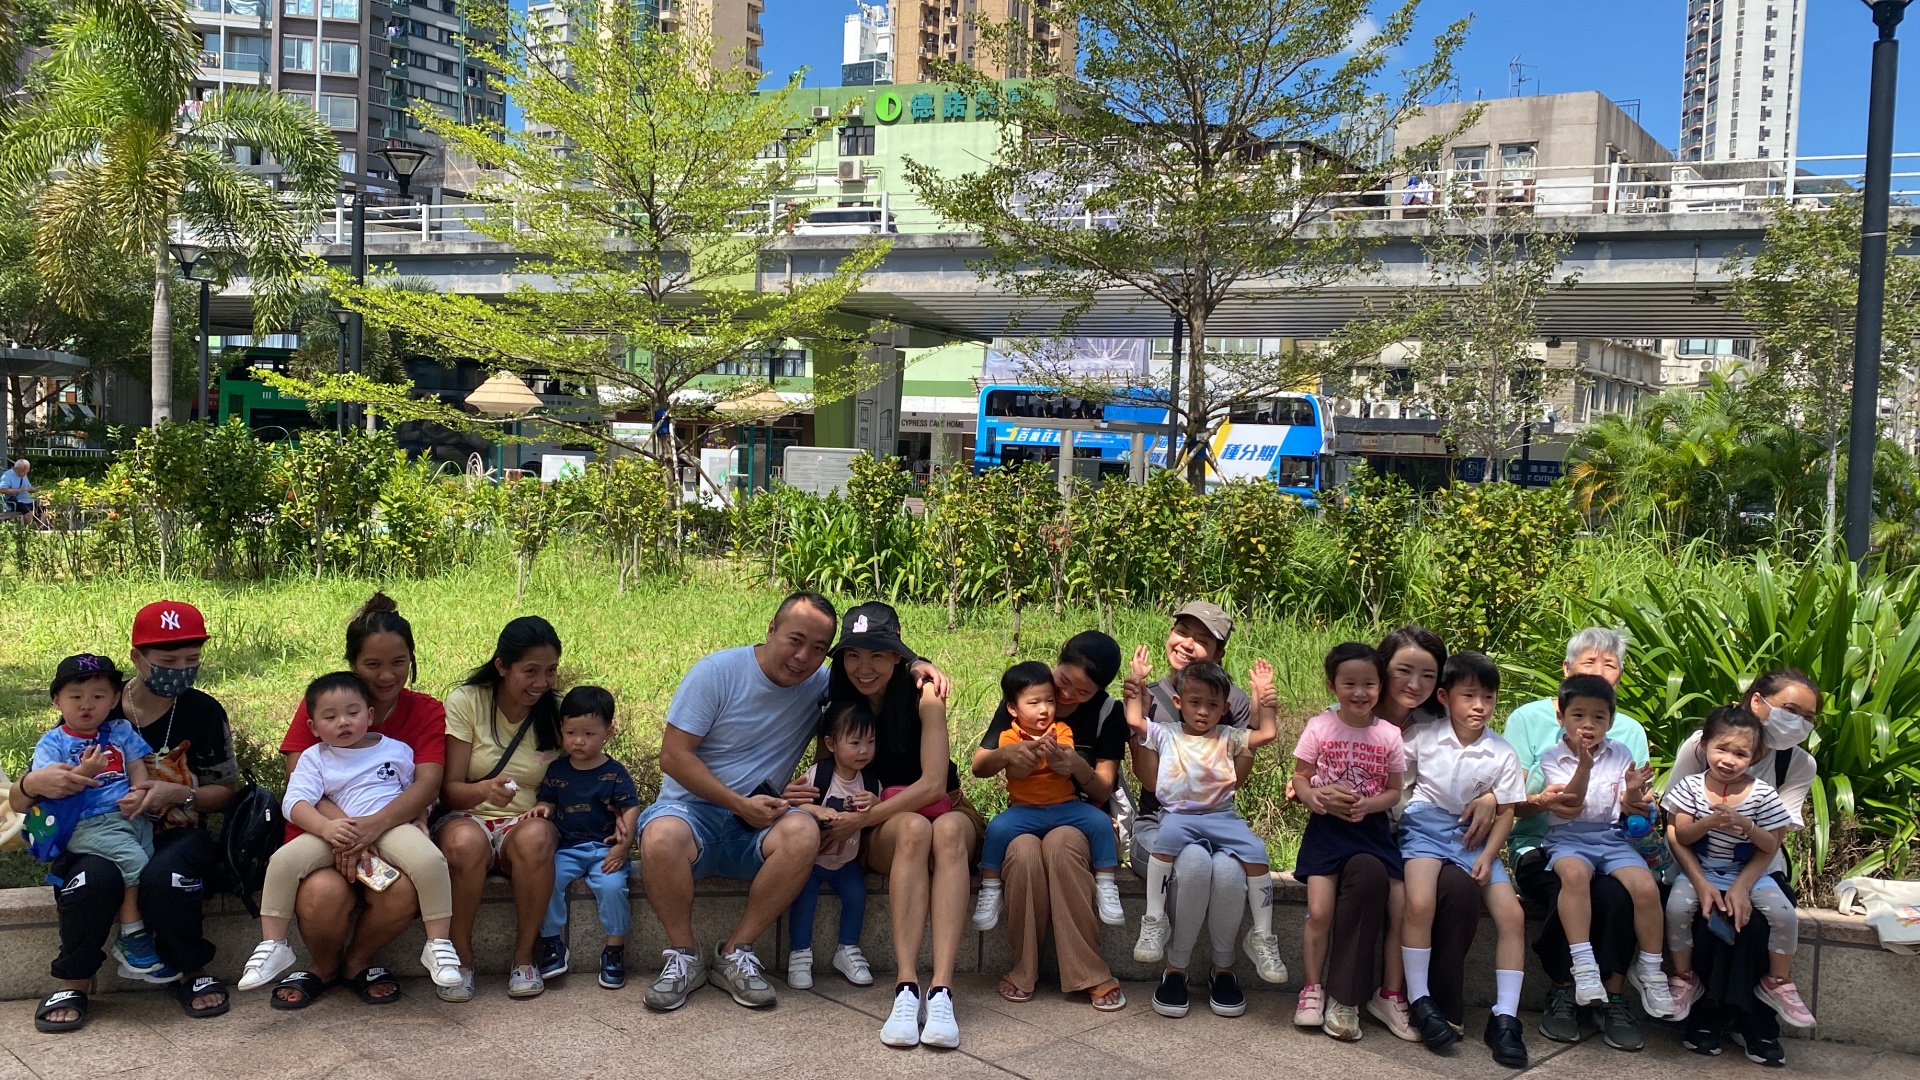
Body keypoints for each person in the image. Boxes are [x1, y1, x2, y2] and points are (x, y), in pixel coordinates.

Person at [637, 594, 946, 1019]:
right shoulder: (716, 673)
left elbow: (870, 667)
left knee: (803, 832)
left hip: (762, 821)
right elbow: (673, 757)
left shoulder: (821, 685)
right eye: (795, 641)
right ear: (771, 630)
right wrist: (739, 803)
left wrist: (915, 663)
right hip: (693, 814)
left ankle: (736, 953)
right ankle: (684, 956)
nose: (803, 657)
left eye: (818, 648)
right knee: (660, 836)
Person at [20, 600, 238, 1031]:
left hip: (176, 830)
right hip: (94, 827)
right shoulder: (95, 701)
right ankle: (74, 980)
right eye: (167, 662)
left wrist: (180, 793)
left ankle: (189, 968)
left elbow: (226, 792)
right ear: (137, 658)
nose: (181, 670)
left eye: (192, 659)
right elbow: (24, 796)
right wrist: (30, 785)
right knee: (93, 880)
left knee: (167, 876)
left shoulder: (203, 711)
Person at [270, 592, 446, 1009]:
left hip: (389, 830)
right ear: (352, 664)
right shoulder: (324, 704)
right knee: (322, 893)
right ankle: (322, 967)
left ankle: (357, 962)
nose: (387, 675)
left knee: (400, 892)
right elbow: (300, 781)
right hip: (323, 830)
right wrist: (349, 832)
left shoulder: (426, 710)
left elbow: (427, 784)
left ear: (412, 659)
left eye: (399, 662)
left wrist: (374, 827)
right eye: (372, 664)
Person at [807, 601, 967, 1047]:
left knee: (948, 830)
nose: (864, 667)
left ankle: (942, 991)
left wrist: (864, 818)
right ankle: (906, 988)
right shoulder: (837, 695)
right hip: (888, 827)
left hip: (942, 808)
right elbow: (826, 770)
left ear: (897, 655)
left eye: (878, 654)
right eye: (854, 655)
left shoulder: (924, 695)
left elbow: (934, 784)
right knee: (914, 828)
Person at [240, 673, 461, 992]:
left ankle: (438, 945)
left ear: (369, 715)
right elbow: (295, 801)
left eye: (352, 713)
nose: (343, 722)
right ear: (313, 727)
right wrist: (326, 827)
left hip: (390, 828)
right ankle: (273, 944)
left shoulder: (397, 751)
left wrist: (420, 817)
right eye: (330, 717)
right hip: (334, 832)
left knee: (430, 860)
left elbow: (417, 793)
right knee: (283, 861)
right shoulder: (314, 758)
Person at [1502, 626, 1654, 1051]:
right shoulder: (1528, 719)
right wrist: (1542, 801)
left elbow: (1637, 803)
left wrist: (1639, 803)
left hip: (1608, 842)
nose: (1600, 671)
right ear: (1567, 670)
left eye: (1610, 664)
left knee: (1621, 893)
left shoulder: (1629, 731)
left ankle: (1614, 996)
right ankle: (1565, 988)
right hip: (1539, 843)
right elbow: (1507, 798)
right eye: (1589, 662)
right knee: (1570, 883)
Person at [1666, 669, 1822, 1066]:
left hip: (1760, 864)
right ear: (1757, 701)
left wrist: (1742, 885)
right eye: (1790, 710)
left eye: (1808, 718)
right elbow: (1674, 827)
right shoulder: (1702, 746)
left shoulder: (1798, 764)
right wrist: (1701, 882)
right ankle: (1706, 1014)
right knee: (1706, 913)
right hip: (1697, 860)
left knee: (1754, 920)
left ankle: (1756, 1021)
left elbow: (1775, 838)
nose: (1798, 723)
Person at [1128, 602, 1280, 1000]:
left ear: (1218, 653)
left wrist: (1264, 705)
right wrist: (1138, 700)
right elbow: (1149, 780)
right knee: (1194, 863)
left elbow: (1236, 776)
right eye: (1182, 631)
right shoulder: (1148, 698)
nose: (1187, 644)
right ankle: (1175, 967)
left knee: (1229, 871)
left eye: (1202, 639)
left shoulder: (1234, 702)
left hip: (1216, 814)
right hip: (1163, 818)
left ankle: (1224, 967)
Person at [975, 630, 1129, 1015]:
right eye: (1064, 681)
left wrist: (1077, 766)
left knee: (1061, 847)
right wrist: (1009, 756)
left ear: (1098, 692)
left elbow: (1104, 785)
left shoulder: (1108, 713)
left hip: (1076, 812)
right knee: (1024, 853)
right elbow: (980, 764)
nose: (1065, 696)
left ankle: (1088, 971)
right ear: (1056, 662)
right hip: (1025, 813)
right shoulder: (1030, 693)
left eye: (1082, 692)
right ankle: (1024, 968)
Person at [1397, 651, 1529, 1066]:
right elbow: (1391, 772)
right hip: (1423, 827)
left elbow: (1506, 811)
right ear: (1444, 696)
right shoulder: (1424, 736)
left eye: (1488, 697)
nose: (1479, 706)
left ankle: (1505, 1016)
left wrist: (1489, 855)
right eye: (1468, 696)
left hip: (1474, 838)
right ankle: (1420, 999)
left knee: (1512, 915)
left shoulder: (1502, 752)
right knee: (1420, 901)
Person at [435, 616, 566, 1001]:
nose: (541, 682)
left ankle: (524, 959)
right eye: (531, 671)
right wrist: (484, 791)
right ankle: (461, 960)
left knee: (537, 838)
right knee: (464, 844)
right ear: (502, 666)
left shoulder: (557, 712)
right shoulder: (468, 702)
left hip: (524, 822)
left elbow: (572, 778)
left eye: (550, 671)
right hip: (467, 816)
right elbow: (448, 791)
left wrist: (546, 805)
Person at [1537, 674, 1672, 1019]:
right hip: (1569, 836)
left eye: (1599, 717)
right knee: (1574, 875)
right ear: (1561, 717)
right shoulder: (1552, 756)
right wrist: (1584, 765)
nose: (1588, 724)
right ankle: (1584, 966)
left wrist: (1634, 789)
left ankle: (1651, 970)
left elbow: (1628, 805)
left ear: (1611, 722)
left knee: (1645, 886)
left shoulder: (1620, 752)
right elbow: (1571, 803)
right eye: (1578, 715)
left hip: (1611, 837)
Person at [1291, 642, 1406, 1041]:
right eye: (1349, 683)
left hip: (1372, 831)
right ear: (1332, 685)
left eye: (1369, 684)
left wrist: (1370, 804)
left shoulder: (1389, 735)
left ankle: (1390, 993)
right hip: (1327, 830)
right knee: (1319, 912)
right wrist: (1314, 798)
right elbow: (1300, 777)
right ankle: (1311, 989)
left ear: (1381, 687)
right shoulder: (1319, 727)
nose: (1360, 692)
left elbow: (1394, 790)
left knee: (1400, 906)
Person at [24, 656, 158, 984]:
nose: (87, 704)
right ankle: (132, 934)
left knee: (148, 860)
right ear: (57, 701)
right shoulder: (53, 742)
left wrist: (139, 792)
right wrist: (84, 771)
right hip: (85, 822)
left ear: (114, 699)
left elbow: (136, 765)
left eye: (98, 696)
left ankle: (135, 944)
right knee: (135, 862)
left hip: (128, 817)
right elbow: (52, 787)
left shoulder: (120, 730)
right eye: (76, 696)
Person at [973, 661, 1122, 932]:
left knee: (1100, 822)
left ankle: (1106, 884)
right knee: (996, 829)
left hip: (1065, 806)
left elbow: (1064, 758)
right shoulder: (1009, 737)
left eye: (1050, 701)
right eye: (1034, 703)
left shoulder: (1061, 729)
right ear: (1012, 708)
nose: (1044, 709)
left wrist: (1055, 754)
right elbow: (1017, 774)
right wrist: (1023, 757)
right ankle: (991, 888)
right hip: (1024, 810)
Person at [530, 686, 640, 991]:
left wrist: (623, 846)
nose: (578, 741)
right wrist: (542, 808)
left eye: (589, 734)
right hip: (566, 848)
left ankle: (614, 949)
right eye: (571, 733)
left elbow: (630, 808)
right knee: (546, 880)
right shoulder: (557, 769)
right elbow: (549, 799)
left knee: (613, 886)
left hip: (605, 849)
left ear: (608, 732)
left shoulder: (614, 773)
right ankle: (552, 942)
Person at [785, 700, 880, 991]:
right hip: (812, 862)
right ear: (831, 743)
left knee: (856, 898)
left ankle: (847, 949)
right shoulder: (820, 774)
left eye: (870, 742)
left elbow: (878, 817)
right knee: (804, 901)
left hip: (846, 862)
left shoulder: (870, 782)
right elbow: (795, 805)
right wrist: (817, 810)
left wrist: (876, 803)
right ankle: (800, 955)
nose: (864, 750)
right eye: (855, 742)